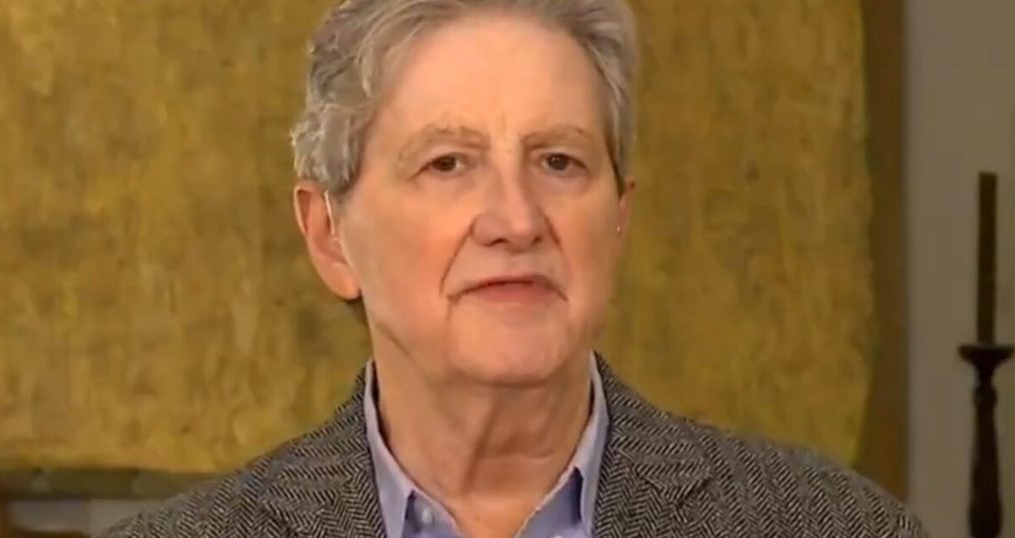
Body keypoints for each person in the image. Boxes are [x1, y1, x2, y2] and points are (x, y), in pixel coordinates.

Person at [101, 0, 927, 536]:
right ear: (330, 237)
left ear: (618, 217)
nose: (516, 220)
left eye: (559, 161)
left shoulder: (832, 526)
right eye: (448, 164)